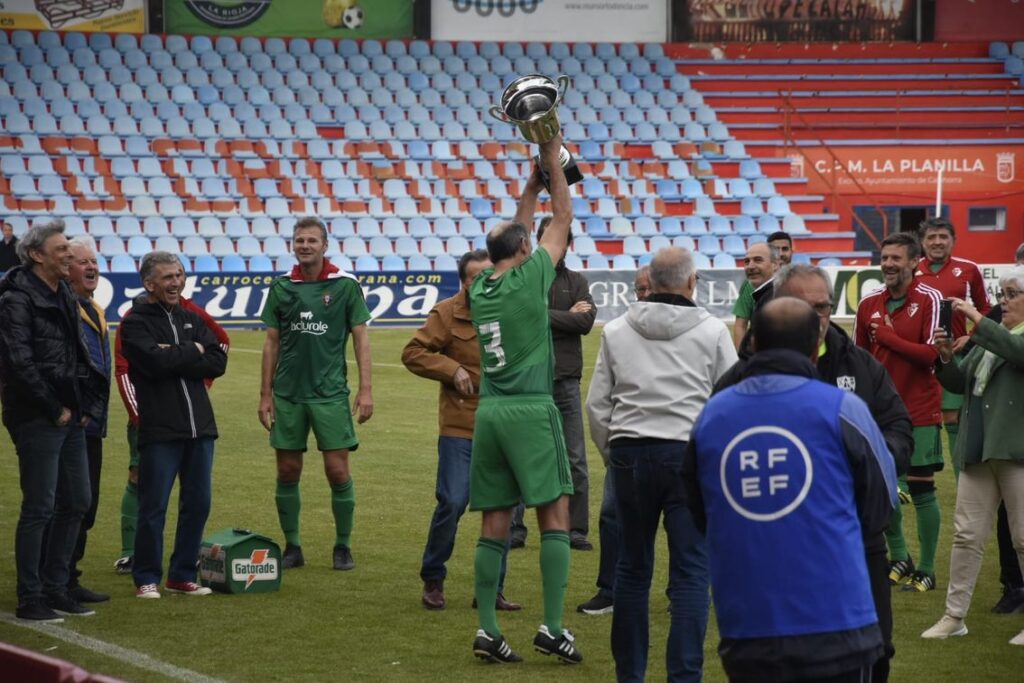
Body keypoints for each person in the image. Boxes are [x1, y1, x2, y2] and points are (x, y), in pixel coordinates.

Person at [715, 263, 913, 683]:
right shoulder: (734, 384)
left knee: (875, 654)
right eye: (804, 307)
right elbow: (705, 487)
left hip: (856, 552)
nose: (816, 318)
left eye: (822, 307)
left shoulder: (858, 365)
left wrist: (846, 490)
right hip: (765, 560)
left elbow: (897, 431)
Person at [587, 246, 737, 682]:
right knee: (691, 573)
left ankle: (630, 674)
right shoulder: (712, 330)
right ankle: (684, 675)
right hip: (689, 454)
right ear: (692, 282)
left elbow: (598, 405)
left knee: (632, 569)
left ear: (649, 283)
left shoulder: (617, 330)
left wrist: (613, 454)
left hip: (631, 451)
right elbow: (729, 402)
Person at [468, 135, 581, 665]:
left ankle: (488, 630)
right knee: (555, 515)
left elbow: (517, 234)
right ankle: (553, 628)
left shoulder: (480, 289)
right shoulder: (533, 276)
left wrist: (529, 189)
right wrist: (552, 157)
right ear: (523, 253)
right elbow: (563, 218)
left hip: (489, 413)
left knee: (494, 521)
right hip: (532, 409)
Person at [402, 249, 520, 612]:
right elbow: (413, 352)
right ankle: (433, 577)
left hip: (503, 426)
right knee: (452, 501)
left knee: (501, 508)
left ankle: (492, 588)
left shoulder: (512, 309)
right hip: (460, 426)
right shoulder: (447, 312)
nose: (483, 282)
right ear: (463, 282)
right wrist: (451, 369)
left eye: (489, 275)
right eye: (475, 277)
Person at [0, 220, 106, 621]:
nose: (69, 255)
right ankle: (30, 597)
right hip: (37, 416)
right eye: (62, 249)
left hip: (70, 414)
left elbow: (80, 354)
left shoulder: (63, 292)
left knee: (77, 500)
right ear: (37, 255)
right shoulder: (15, 300)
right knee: (40, 506)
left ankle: (57, 588)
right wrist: (54, 408)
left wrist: (85, 405)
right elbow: (18, 363)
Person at [259, 217, 373, 571]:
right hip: (288, 395)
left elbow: (361, 338)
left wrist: (366, 390)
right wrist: (265, 395)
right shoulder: (282, 287)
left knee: (337, 471)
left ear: (325, 245)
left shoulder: (344, 285)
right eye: (299, 240)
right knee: (287, 470)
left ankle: (343, 545)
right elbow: (271, 342)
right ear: (292, 245)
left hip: (330, 393)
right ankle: (292, 546)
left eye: (311, 240)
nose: (305, 245)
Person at [921, 267, 1024, 646]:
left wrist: (979, 319)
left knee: (1023, 537)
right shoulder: (991, 338)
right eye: (1003, 294)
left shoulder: (997, 335)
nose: (1003, 301)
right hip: (979, 448)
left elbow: (1017, 352)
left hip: (1016, 451)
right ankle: (954, 616)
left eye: (1012, 294)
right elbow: (959, 381)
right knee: (966, 535)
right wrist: (947, 358)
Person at [120, 252, 227, 598]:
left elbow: (218, 360)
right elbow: (153, 362)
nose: (176, 282)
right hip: (161, 429)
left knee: (198, 504)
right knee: (153, 506)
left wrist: (175, 353)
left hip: (201, 428)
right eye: (168, 277)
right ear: (149, 283)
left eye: (179, 275)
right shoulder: (134, 322)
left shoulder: (191, 317)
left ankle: (181, 575)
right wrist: (192, 350)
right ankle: (146, 576)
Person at [855, 231, 944, 593]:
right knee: (883, 487)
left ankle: (927, 568)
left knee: (922, 489)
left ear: (914, 262)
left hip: (919, 408)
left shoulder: (930, 298)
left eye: (896, 258)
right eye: (884, 258)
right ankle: (900, 557)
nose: (888, 264)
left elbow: (932, 355)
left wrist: (889, 338)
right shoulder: (868, 304)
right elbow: (859, 359)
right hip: (880, 414)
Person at [509, 218, 597, 551]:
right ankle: (514, 527)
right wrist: (565, 316)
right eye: (547, 237)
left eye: (559, 237)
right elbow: (518, 317)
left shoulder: (577, 281)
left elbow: (585, 321)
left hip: (565, 380)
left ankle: (576, 530)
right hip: (529, 380)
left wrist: (541, 315)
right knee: (522, 454)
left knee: (575, 459)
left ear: (566, 243)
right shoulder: (523, 277)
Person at [576, 263, 654, 614]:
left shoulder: (702, 329)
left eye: (649, 288)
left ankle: (680, 594)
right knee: (611, 516)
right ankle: (609, 589)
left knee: (681, 523)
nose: (644, 295)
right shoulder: (618, 331)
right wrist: (610, 450)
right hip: (627, 443)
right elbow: (598, 400)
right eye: (640, 289)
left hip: (676, 445)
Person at [52, 236, 112, 604]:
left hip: (92, 422)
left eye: (94, 261)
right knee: (68, 502)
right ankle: (54, 581)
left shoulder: (93, 308)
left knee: (85, 505)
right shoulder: (64, 309)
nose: (92, 267)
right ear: (65, 269)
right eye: (82, 262)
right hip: (74, 420)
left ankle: (68, 577)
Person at [913, 217, 991, 465]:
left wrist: (972, 336)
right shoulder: (911, 270)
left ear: (953, 241)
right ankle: (915, 477)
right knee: (918, 415)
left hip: (954, 355)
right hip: (920, 356)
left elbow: (986, 309)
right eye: (931, 237)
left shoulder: (968, 269)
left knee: (953, 418)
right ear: (922, 242)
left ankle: (962, 481)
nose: (937, 242)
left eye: (943, 237)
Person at [731, 242, 780, 350]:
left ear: (775, 265)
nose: (750, 266)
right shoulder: (750, 287)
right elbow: (740, 324)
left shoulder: (784, 293)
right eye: (747, 261)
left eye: (758, 260)